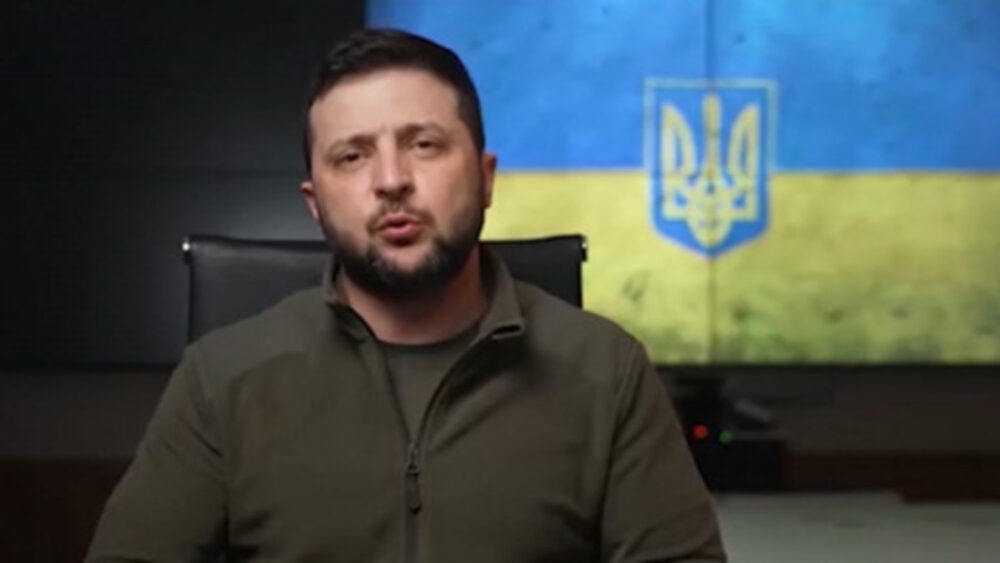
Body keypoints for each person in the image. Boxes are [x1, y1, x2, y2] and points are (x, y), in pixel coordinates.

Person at [87, 28, 725, 562]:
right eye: (352, 156)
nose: (392, 180)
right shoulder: (221, 381)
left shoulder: (607, 372)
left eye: (424, 145)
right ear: (315, 203)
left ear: (485, 178)